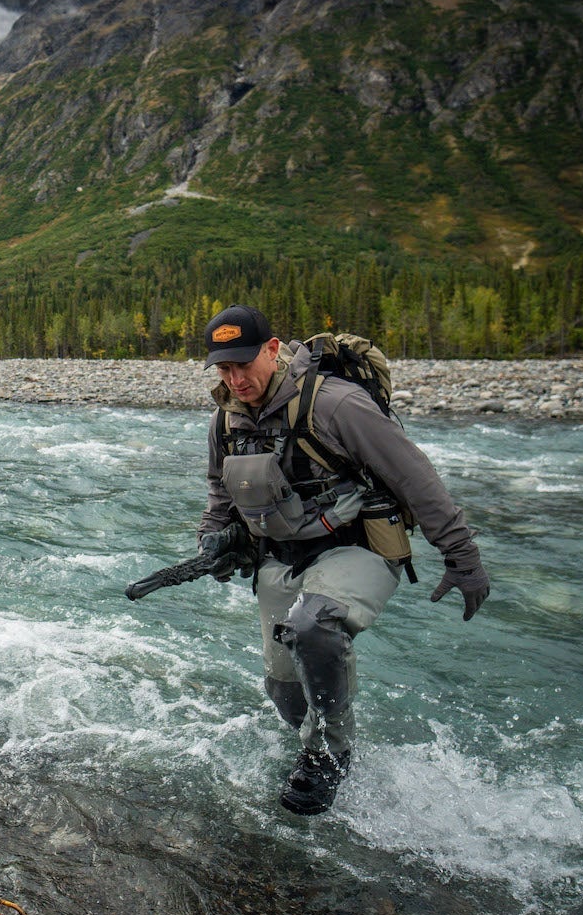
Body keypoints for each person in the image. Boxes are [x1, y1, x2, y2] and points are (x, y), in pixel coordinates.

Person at [196, 304, 490, 815]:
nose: (235, 379)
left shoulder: (336, 404)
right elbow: (220, 493)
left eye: (244, 364)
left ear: (273, 350)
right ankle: (318, 733)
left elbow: (414, 477)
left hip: (357, 546)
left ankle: (330, 755)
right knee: (287, 695)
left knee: (313, 626)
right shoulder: (226, 420)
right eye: (224, 369)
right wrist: (212, 541)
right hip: (282, 556)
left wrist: (461, 556)